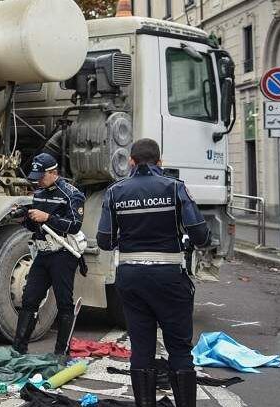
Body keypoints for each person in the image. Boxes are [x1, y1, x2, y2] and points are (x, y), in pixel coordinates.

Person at [96, 139, 209, 407]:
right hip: (169, 277)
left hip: (131, 279)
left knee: (142, 349)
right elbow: (201, 235)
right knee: (180, 349)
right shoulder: (175, 188)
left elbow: (104, 241)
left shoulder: (115, 192)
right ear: (160, 162)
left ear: (132, 162)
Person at [13, 152, 85, 356]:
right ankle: (18, 350)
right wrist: (24, 218)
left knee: (64, 302)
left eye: (41, 177)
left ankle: (61, 353)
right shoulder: (39, 192)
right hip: (42, 253)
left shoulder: (71, 194)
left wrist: (47, 217)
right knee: (29, 299)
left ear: (53, 172)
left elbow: (74, 225)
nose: (38, 182)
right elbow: (36, 226)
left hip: (64, 252)